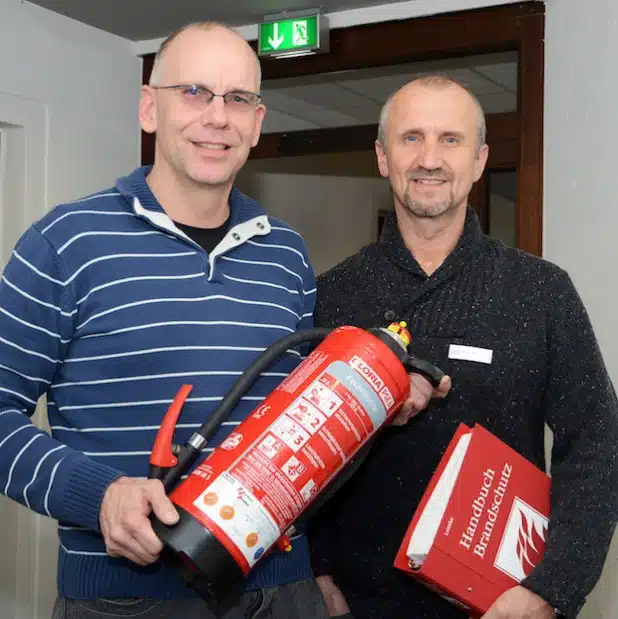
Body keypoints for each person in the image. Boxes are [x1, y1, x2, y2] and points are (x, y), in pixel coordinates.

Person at [0, 21, 444, 619]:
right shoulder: (65, 243)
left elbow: (297, 420)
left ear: (257, 124)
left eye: (238, 98)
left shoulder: (286, 253)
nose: (217, 117)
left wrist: (381, 395)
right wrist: (98, 497)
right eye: (194, 92)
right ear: (148, 108)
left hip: (283, 588)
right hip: (126, 596)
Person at [310, 75, 618, 619]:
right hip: (358, 604)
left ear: (479, 161)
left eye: (450, 140)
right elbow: (303, 448)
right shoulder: (333, 296)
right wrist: (315, 571)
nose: (430, 158)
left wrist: (551, 590)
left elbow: (597, 443)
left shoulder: (541, 291)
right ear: (383, 157)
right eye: (411, 138)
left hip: (503, 602)